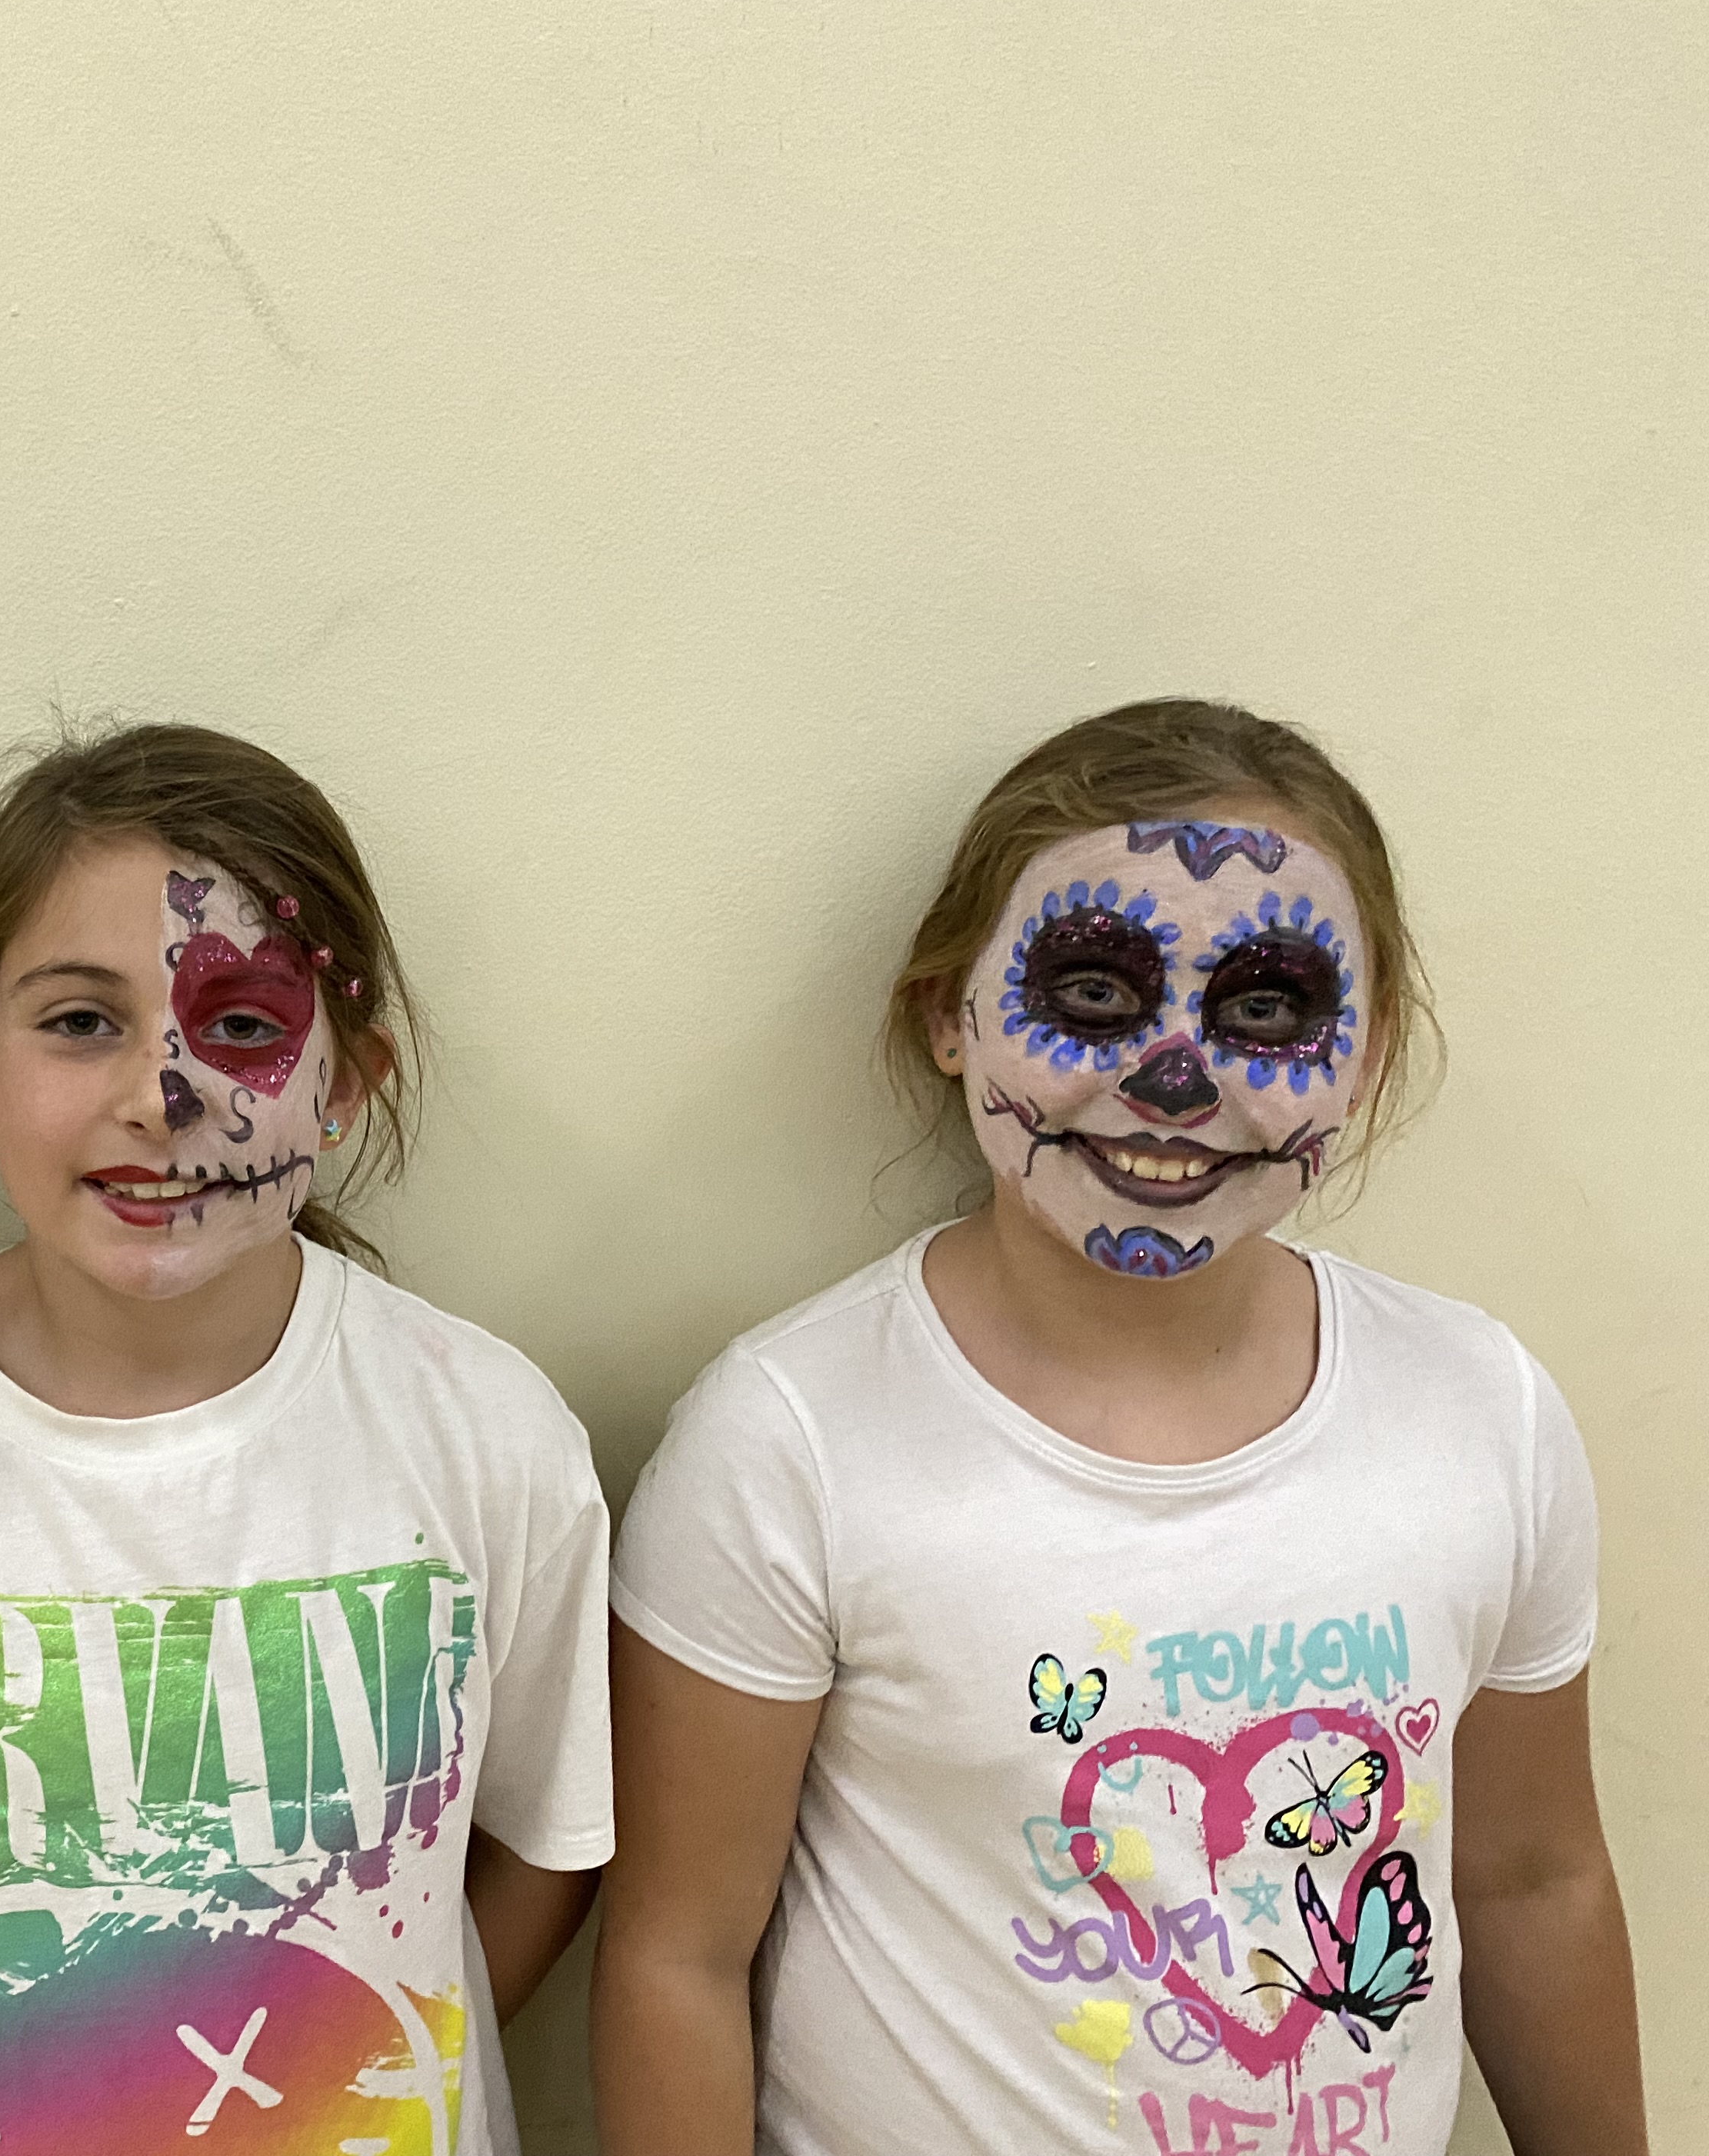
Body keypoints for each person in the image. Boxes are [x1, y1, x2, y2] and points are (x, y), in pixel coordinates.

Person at [594, 698, 1645, 2156]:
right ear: (949, 1016)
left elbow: (1535, 1884)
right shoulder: (792, 1441)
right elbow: (678, 1954)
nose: (1172, 1080)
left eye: (1266, 1010)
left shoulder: (1483, 1411)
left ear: (1367, 1052)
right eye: (1091, 993)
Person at [0, 723, 614, 2154]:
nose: (162, 1100)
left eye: (245, 1028)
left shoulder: (486, 1434)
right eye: (81, 1022)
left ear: (345, 1084)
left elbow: (547, 1845)